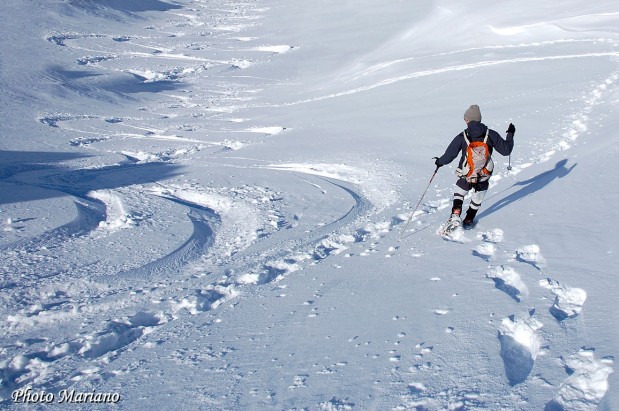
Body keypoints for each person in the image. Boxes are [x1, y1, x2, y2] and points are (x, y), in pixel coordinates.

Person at [434, 104, 515, 229]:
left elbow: (450, 155)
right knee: (477, 198)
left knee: (459, 194)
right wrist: (510, 134)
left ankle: (455, 216)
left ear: (468, 120)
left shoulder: (463, 136)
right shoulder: (491, 134)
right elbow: (506, 151)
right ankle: (469, 219)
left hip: (466, 174)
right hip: (483, 175)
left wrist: (439, 162)